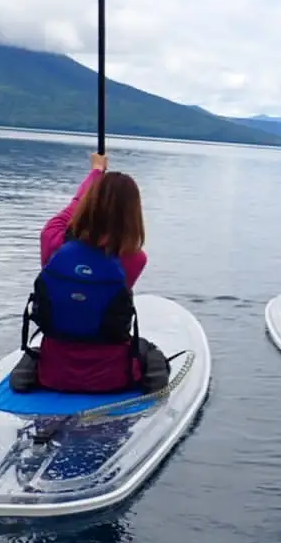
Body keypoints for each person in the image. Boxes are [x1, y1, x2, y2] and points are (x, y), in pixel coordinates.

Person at [9, 152, 170, 394]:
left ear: (89, 203)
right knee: (148, 350)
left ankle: (32, 365)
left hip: (53, 373)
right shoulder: (135, 259)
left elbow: (73, 206)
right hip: (113, 378)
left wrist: (96, 171)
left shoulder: (52, 240)